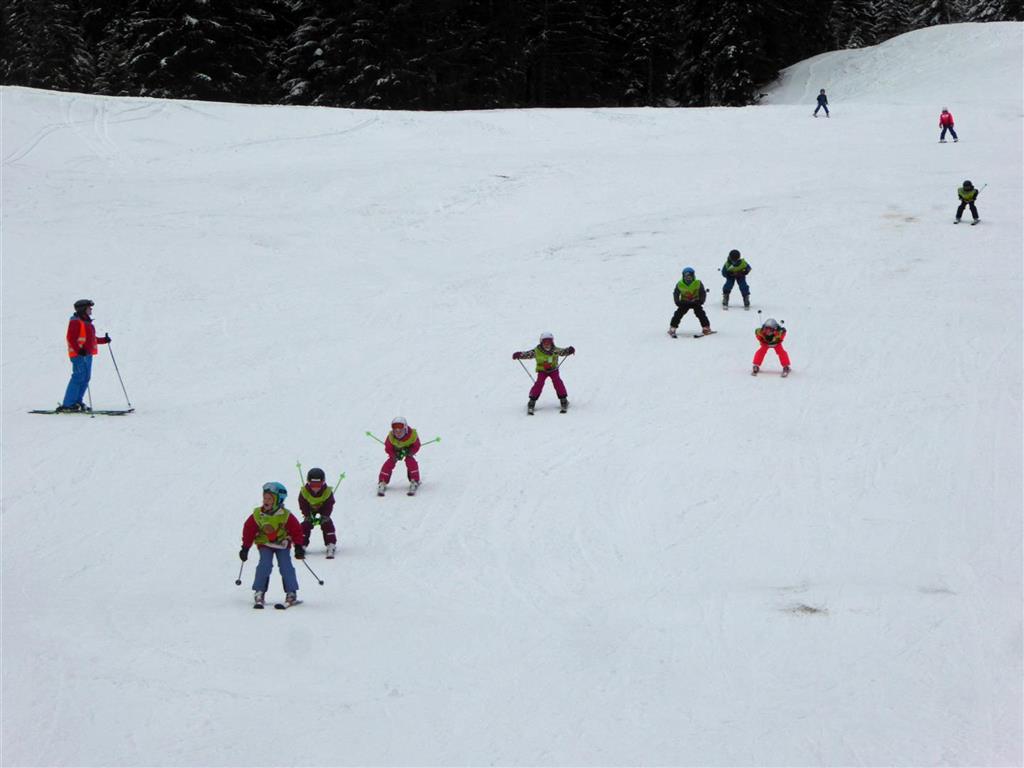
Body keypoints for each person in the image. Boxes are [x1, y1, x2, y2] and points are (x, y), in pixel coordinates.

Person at [239, 482, 305, 608]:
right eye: (264, 498)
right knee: (264, 565)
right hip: (265, 544)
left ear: (278, 501)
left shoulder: (285, 515)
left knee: (286, 566)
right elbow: (249, 530)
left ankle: (291, 592)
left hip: (282, 544)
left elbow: (296, 530)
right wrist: (245, 548)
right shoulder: (258, 515)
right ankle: (259, 591)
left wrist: (298, 546)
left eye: (269, 499)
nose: (266, 501)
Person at [58, 299, 110, 412]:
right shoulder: (76, 322)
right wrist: (79, 350)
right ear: (83, 309)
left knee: (86, 377)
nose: (91, 309)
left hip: (87, 354)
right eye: (89, 307)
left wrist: (104, 340)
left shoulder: (87, 322)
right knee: (79, 376)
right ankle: (68, 404)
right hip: (78, 355)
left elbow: (92, 339)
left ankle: (77, 401)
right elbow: (71, 338)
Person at [512, 332, 575, 414]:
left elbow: (563, 352)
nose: (547, 344)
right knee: (539, 383)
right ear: (541, 342)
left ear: (552, 342)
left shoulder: (555, 350)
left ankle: (563, 399)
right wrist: (520, 355)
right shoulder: (537, 351)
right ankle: (532, 401)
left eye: (549, 342)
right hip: (542, 371)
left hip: (553, 370)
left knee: (557, 382)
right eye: (545, 342)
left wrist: (569, 350)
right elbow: (528, 354)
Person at [298, 467, 337, 559]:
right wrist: (307, 515)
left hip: (323, 510)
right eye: (313, 484)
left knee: (327, 524)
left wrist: (325, 515)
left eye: (318, 484)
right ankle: (301, 545)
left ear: (323, 482)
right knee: (305, 525)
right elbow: (302, 503)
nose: (315, 488)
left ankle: (331, 544)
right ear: (308, 482)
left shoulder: (327, 492)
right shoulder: (304, 492)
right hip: (310, 511)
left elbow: (329, 504)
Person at [378, 417, 421, 495]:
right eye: (395, 431)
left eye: (400, 431)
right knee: (390, 462)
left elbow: (417, 445)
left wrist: (411, 452)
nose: (398, 433)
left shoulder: (412, 435)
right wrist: (393, 455)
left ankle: (414, 480)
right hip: (395, 451)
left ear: (405, 429)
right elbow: (388, 447)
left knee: (410, 461)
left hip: (408, 451)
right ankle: (383, 481)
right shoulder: (391, 437)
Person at [668, 267, 712, 338]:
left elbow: (702, 292)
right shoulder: (680, 284)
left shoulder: (698, 283)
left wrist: (701, 300)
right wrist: (677, 301)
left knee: (700, 313)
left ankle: (706, 327)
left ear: (693, 276)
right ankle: (672, 328)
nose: (688, 279)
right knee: (678, 314)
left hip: (695, 302)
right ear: (683, 276)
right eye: (686, 277)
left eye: (690, 277)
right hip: (684, 302)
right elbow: (676, 293)